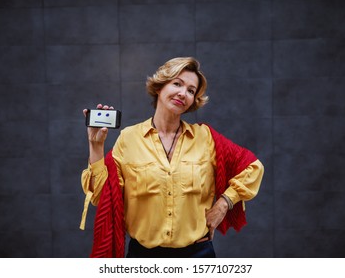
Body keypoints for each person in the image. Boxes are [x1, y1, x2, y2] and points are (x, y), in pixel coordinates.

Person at [79, 56, 264, 258]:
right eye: (177, 84)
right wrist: (95, 145)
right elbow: (100, 196)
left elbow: (253, 167)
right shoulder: (128, 139)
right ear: (159, 87)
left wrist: (224, 204)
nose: (183, 93)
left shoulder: (205, 138)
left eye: (191, 91)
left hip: (198, 255)